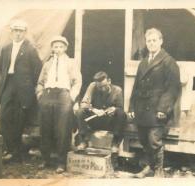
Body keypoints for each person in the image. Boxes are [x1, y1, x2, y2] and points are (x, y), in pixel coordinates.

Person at [128, 28, 181, 177]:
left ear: (161, 41)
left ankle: (158, 170)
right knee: (144, 139)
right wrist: (131, 107)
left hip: (157, 109)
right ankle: (149, 167)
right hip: (141, 109)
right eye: (148, 41)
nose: (151, 43)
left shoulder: (169, 62)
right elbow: (136, 87)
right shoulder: (143, 62)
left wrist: (163, 109)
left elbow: (172, 88)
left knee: (154, 140)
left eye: (154, 40)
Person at [0, 19, 42, 163]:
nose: (18, 34)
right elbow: (1, 68)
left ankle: (15, 153)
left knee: (19, 119)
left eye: (21, 31)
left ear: (25, 33)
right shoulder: (5, 48)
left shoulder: (30, 49)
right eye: (15, 31)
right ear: (11, 32)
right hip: (8, 85)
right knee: (4, 115)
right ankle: (7, 148)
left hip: (23, 89)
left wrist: (29, 86)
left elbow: (37, 70)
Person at [36, 36, 82, 173]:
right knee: (45, 127)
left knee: (63, 129)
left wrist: (71, 97)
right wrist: (40, 94)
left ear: (65, 48)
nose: (58, 49)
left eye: (60, 47)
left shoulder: (70, 63)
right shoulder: (47, 64)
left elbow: (77, 82)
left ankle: (61, 162)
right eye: (55, 47)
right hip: (48, 95)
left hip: (63, 96)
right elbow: (40, 82)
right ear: (52, 48)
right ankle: (46, 159)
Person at [75, 71, 126, 153]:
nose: (102, 89)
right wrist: (93, 110)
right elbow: (83, 104)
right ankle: (84, 141)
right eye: (99, 87)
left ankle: (115, 144)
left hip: (109, 122)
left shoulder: (117, 90)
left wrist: (114, 109)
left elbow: (120, 108)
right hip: (95, 120)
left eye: (104, 86)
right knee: (80, 112)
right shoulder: (92, 86)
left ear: (109, 81)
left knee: (121, 114)